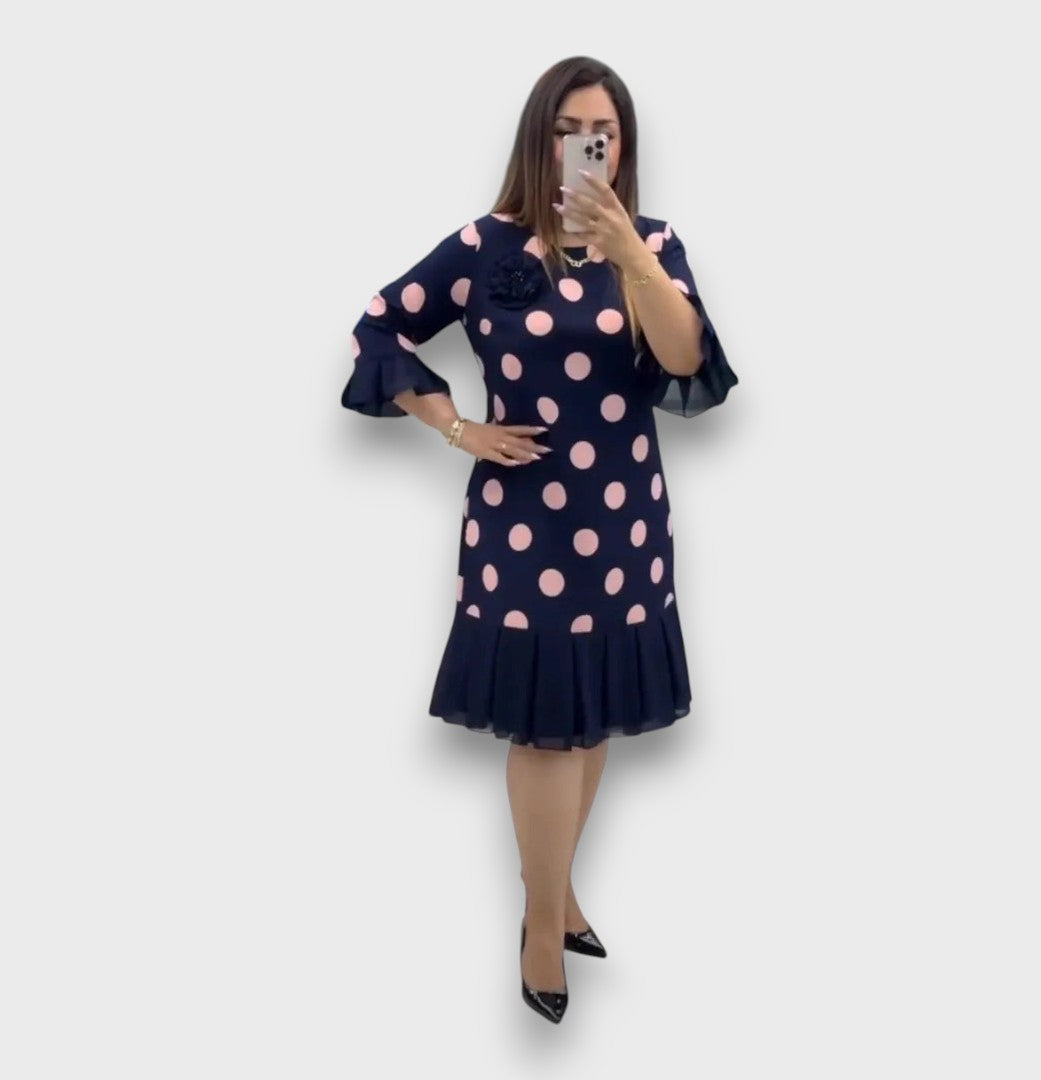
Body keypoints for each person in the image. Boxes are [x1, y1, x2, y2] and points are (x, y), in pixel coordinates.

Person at [341, 56, 738, 1023]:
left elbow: (687, 359)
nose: (585, 146)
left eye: (603, 132)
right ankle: (541, 926)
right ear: (539, 139)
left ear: (624, 147)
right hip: (521, 524)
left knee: (593, 715)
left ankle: (553, 899)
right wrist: (456, 427)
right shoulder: (486, 246)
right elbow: (378, 328)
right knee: (545, 723)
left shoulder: (654, 243)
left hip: (625, 519)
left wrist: (628, 252)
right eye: (568, 130)